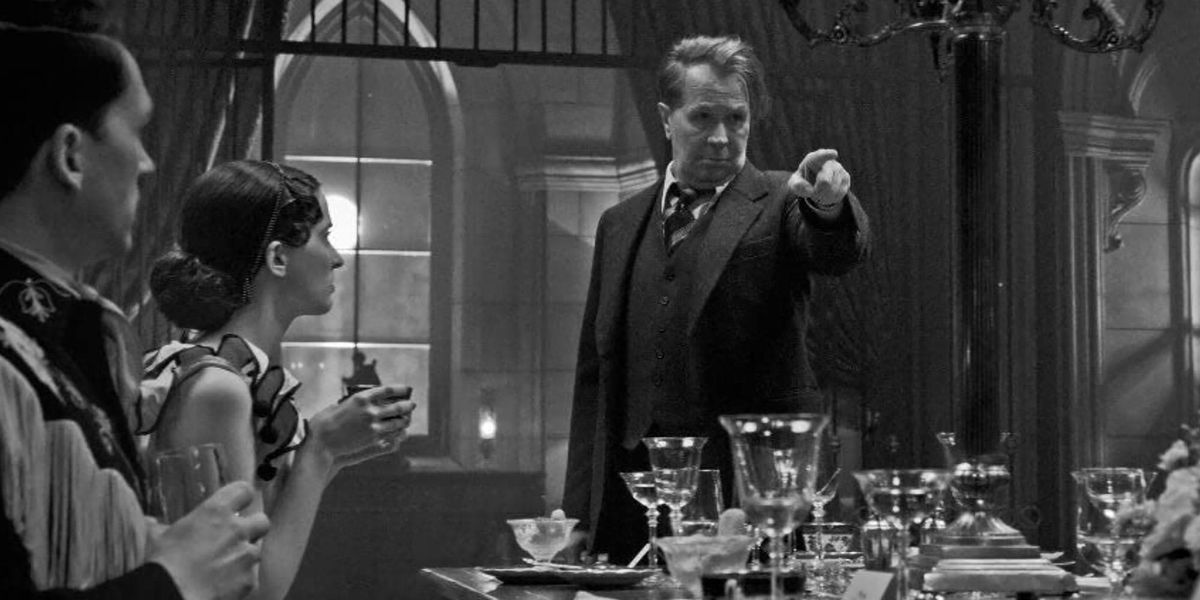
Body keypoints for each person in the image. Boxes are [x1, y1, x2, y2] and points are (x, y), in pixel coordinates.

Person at [563, 34, 871, 562]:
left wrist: (828, 206)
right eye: (703, 117)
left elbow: (835, 250)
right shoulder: (619, 224)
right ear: (667, 119)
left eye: (737, 118)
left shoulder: (782, 199)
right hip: (634, 501)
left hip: (748, 496)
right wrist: (577, 517)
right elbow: (595, 379)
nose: (722, 137)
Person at [0, 25, 269, 599]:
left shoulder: (62, 332)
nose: (147, 163)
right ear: (70, 154)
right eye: (137, 129)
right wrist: (172, 581)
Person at [140, 159, 417, 600]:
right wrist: (320, 450)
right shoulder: (218, 389)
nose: (336, 259)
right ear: (278, 257)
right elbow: (252, 591)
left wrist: (337, 454)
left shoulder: (238, 375)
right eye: (324, 236)